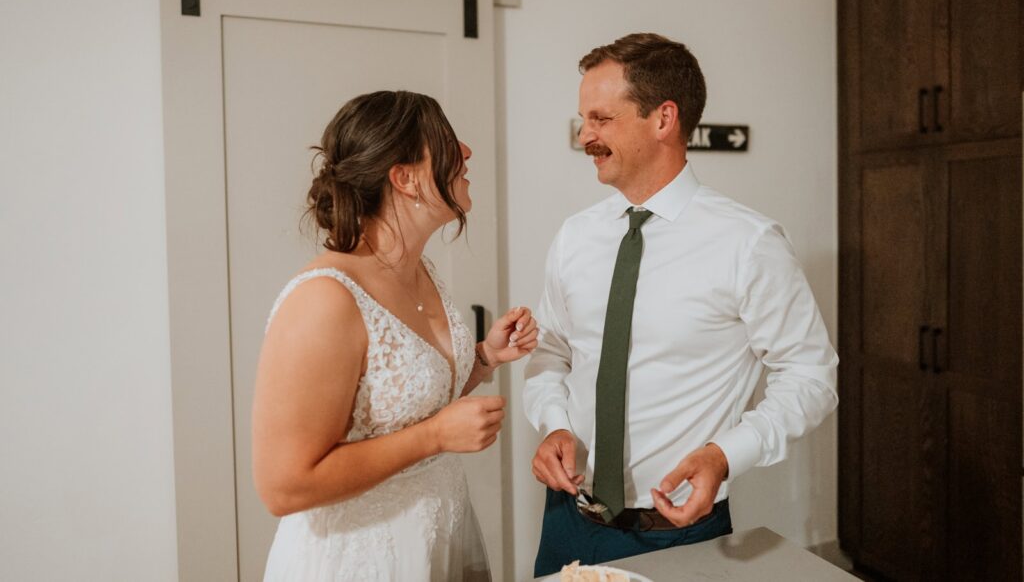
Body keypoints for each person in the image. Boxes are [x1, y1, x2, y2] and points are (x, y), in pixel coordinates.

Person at [524, 33, 839, 576]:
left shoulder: (749, 243)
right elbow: (551, 352)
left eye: (601, 119)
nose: (585, 136)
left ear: (663, 119)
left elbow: (811, 376)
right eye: (584, 119)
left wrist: (724, 455)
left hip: (680, 534)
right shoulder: (574, 238)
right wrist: (553, 423)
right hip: (566, 524)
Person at [253, 90, 537, 582]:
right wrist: (436, 437)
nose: (466, 152)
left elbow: (397, 402)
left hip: (434, 540)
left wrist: (485, 357)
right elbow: (284, 485)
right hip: (357, 560)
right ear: (404, 178)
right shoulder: (324, 300)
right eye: (448, 143)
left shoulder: (420, 271)